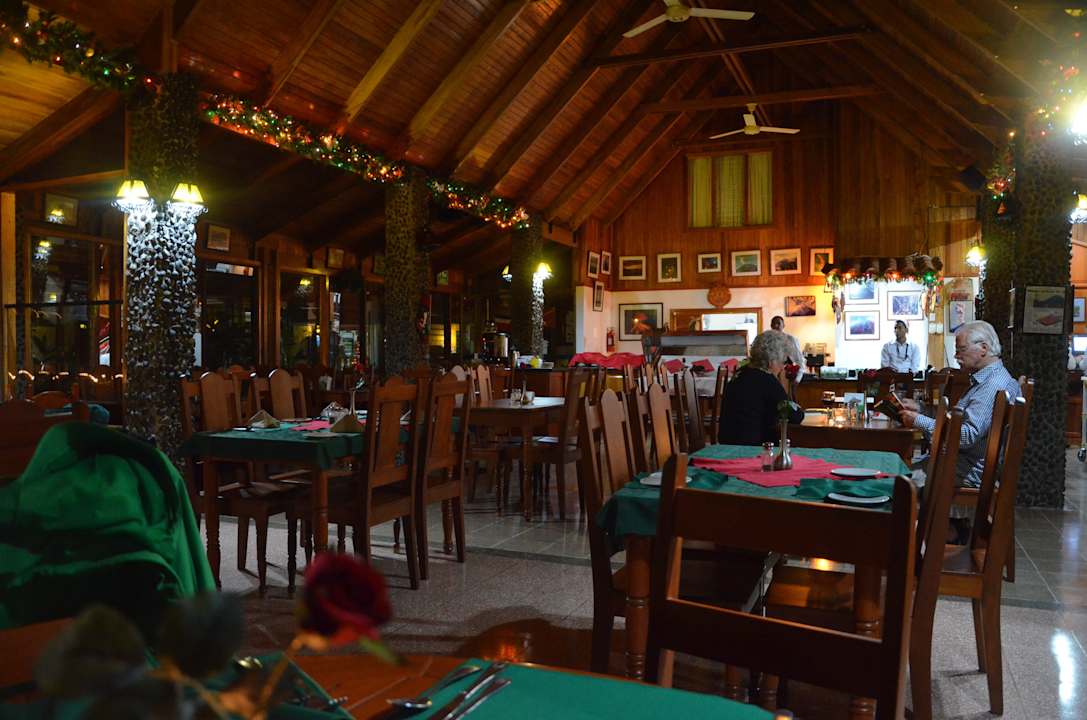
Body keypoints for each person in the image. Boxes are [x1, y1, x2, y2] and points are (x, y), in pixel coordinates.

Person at [900, 321, 1020, 541]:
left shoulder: (992, 385)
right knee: (902, 472)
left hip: (971, 470)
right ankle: (948, 530)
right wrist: (922, 410)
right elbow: (957, 419)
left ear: (983, 348)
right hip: (968, 462)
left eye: (961, 349)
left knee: (901, 483)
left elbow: (965, 436)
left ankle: (935, 539)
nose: (956, 356)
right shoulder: (990, 378)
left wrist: (919, 421)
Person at [718, 330, 805, 445]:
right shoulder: (767, 380)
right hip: (752, 449)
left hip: (726, 445)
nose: (782, 368)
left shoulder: (740, 373)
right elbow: (795, 416)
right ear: (771, 361)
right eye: (783, 362)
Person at [769, 315, 805, 380]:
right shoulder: (768, 340)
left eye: (778, 323)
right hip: (771, 376)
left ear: (783, 325)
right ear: (771, 326)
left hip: (786, 376)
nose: (776, 325)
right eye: (773, 324)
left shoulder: (791, 339)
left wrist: (798, 379)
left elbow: (800, 360)